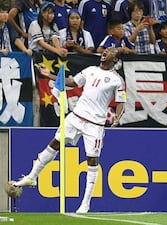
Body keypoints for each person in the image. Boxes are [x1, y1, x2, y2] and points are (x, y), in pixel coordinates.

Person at [12, 46, 127, 214]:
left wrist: (117, 117)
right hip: (76, 116)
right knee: (54, 143)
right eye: (105, 50)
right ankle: (32, 177)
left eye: (110, 52)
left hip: (95, 124)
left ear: (115, 59)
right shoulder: (90, 70)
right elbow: (72, 82)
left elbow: (121, 102)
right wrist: (48, 75)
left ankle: (85, 203)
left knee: (92, 161)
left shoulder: (117, 80)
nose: (105, 52)